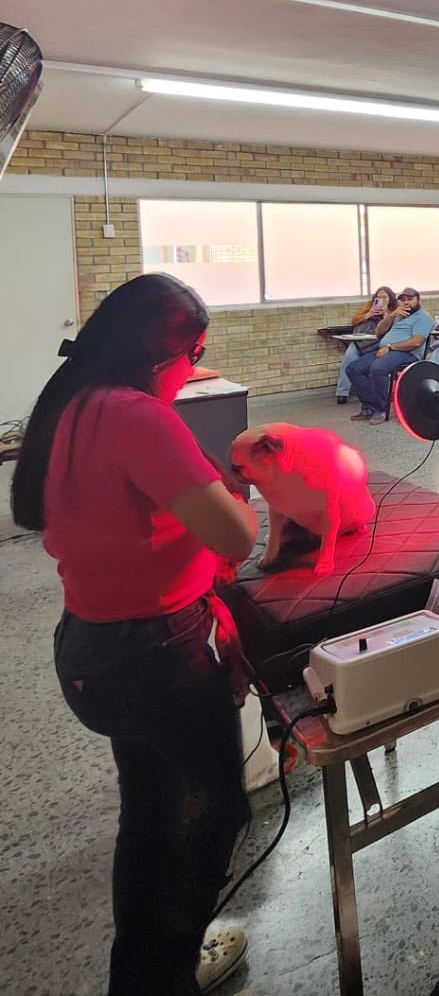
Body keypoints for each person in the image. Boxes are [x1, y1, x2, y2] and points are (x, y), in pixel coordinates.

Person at [9, 273, 259, 995]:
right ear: (164, 351)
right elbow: (236, 534)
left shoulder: (69, 404)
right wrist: (231, 493)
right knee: (217, 811)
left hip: (91, 650)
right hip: (154, 658)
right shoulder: (137, 416)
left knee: (150, 813)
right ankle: (167, 971)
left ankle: (143, 970)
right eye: (196, 352)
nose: (195, 367)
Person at [346, 287, 434, 424]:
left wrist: (390, 347)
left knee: (377, 368)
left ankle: (381, 410)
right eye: (402, 300)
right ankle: (369, 406)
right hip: (386, 351)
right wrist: (391, 316)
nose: (406, 302)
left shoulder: (424, 317)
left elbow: (416, 342)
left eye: (410, 299)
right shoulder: (398, 315)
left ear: (418, 300)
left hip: (407, 353)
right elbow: (379, 332)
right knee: (353, 369)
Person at [334, 286, 396, 404]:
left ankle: (373, 394)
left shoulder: (394, 310)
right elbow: (355, 320)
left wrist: (386, 313)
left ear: (390, 298)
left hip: (379, 341)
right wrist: (369, 314)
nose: (381, 300)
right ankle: (342, 392)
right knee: (349, 357)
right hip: (362, 339)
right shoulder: (370, 306)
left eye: (384, 297)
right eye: (379, 297)